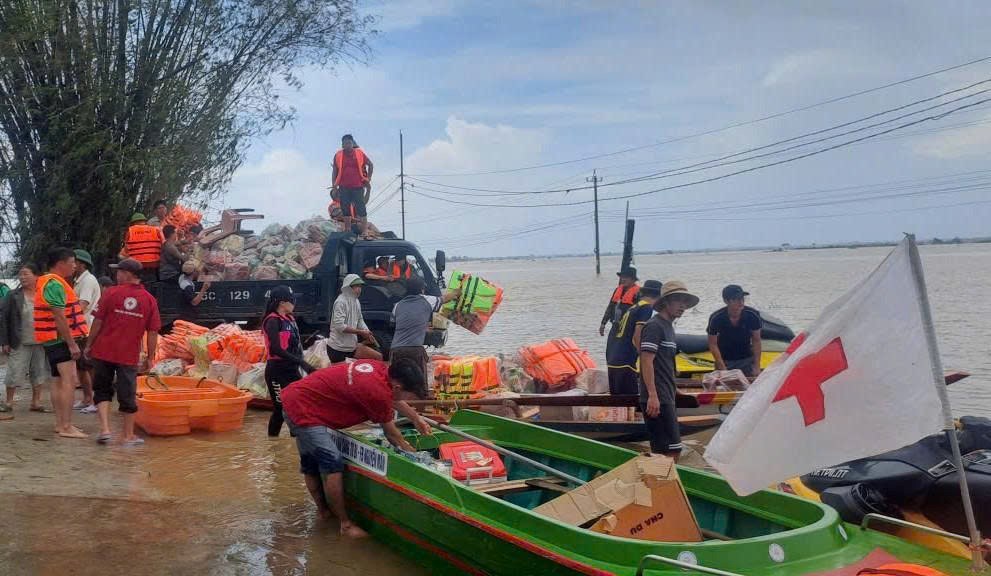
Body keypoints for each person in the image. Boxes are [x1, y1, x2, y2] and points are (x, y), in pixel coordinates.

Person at [281, 358, 430, 538]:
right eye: (410, 397)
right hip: (303, 409)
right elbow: (392, 435)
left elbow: (393, 399)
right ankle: (345, 525)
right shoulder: (377, 393)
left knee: (311, 462)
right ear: (398, 387)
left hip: (296, 397)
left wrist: (416, 418)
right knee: (332, 464)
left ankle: (323, 513)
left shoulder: (379, 369)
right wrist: (417, 457)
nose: (409, 401)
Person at [84, 258, 160, 445]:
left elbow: (98, 322)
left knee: (102, 389)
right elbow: (152, 332)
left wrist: (88, 344)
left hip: (103, 351)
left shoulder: (110, 293)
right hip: (128, 355)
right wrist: (150, 357)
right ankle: (127, 436)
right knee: (127, 394)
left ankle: (105, 430)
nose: (116, 275)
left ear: (128, 274)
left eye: (119, 272)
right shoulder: (149, 300)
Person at [639, 280, 698, 460]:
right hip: (658, 398)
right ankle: (662, 485)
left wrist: (675, 389)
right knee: (670, 450)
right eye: (678, 300)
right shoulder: (654, 326)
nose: (683, 306)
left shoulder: (669, 327)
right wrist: (652, 395)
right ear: (665, 302)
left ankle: (662, 484)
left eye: (685, 302)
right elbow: (646, 361)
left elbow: (666, 364)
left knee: (669, 449)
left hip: (666, 394)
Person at [37, 247, 90, 439]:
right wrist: (72, 344)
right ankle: (66, 426)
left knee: (58, 381)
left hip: (51, 340)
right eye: (72, 262)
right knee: (69, 381)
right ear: (61, 263)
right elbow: (60, 317)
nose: (75, 266)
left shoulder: (48, 282)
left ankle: (60, 424)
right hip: (59, 340)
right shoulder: (55, 284)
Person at [262, 286, 315, 438]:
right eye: (292, 300)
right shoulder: (272, 320)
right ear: (282, 303)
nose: (294, 303)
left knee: (298, 405)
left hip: (291, 370)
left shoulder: (290, 319)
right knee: (280, 409)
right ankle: (273, 446)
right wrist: (303, 363)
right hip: (277, 372)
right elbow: (276, 349)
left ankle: (295, 442)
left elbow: (291, 345)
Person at [0, 265, 51, 415]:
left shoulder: (45, 294)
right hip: (19, 340)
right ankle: (8, 401)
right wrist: (5, 342)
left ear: (36, 276)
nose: (22, 277)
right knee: (14, 371)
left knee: (39, 371)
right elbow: (3, 319)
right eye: (20, 275)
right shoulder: (12, 295)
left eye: (26, 274)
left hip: (41, 341)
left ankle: (36, 402)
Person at [390, 276, 459, 385]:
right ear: (422, 289)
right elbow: (446, 298)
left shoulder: (397, 305)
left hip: (395, 350)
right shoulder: (427, 300)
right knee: (420, 384)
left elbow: (396, 325)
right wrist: (459, 290)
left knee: (397, 383)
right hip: (415, 349)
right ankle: (422, 398)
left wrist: (422, 327)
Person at [605, 279, 662, 396]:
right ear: (659, 297)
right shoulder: (646, 308)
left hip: (613, 360)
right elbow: (638, 334)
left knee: (619, 403)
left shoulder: (633, 307)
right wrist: (644, 357)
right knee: (631, 401)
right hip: (626, 361)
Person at [707, 284, 763, 378]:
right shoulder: (716, 318)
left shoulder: (753, 315)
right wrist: (722, 367)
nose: (740, 302)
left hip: (746, 359)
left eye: (742, 299)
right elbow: (712, 343)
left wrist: (757, 365)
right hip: (724, 360)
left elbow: (756, 340)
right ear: (726, 301)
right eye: (735, 299)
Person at [72, 249, 102, 413]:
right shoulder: (79, 280)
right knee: (81, 367)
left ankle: (95, 400)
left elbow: (82, 305)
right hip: (79, 328)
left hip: (87, 328)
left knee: (89, 366)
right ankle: (87, 398)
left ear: (81, 264)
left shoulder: (88, 280)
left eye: (74, 262)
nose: (72, 265)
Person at [327, 274, 381, 362]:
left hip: (352, 346)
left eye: (360, 286)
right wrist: (360, 332)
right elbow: (339, 326)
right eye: (356, 286)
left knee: (378, 357)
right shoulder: (340, 302)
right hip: (338, 348)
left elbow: (360, 320)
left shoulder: (356, 301)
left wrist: (367, 332)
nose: (359, 289)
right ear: (348, 287)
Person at [330, 134, 373, 236]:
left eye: (349, 143)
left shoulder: (359, 153)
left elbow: (370, 165)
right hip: (343, 186)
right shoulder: (338, 155)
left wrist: (368, 179)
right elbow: (335, 170)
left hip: (358, 185)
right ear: (342, 145)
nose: (347, 145)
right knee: (345, 208)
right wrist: (334, 185)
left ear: (352, 143)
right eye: (344, 143)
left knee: (361, 207)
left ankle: (364, 231)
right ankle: (347, 229)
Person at [119, 213, 165, 283]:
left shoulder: (130, 231)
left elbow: (126, 251)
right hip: (154, 265)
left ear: (133, 223)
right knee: (152, 286)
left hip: (137, 266)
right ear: (145, 221)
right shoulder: (155, 230)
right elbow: (163, 245)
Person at [599, 267, 640, 336]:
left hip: (629, 328)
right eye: (622, 277)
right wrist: (603, 323)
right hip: (615, 326)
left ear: (633, 279)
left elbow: (640, 312)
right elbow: (610, 307)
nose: (623, 279)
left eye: (626, 277)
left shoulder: (638, 293)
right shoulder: (617, 290)